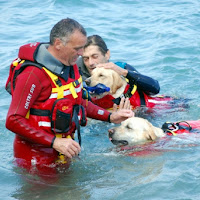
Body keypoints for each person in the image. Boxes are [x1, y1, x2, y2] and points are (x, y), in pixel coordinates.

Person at [5, 18, 134, 174]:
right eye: (77, 49)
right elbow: (13, 120)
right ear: (59, 44)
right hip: (35, 159)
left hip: (65, 150)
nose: (81, 54)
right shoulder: (32, 74)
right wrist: (54, 142)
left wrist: (110, 117)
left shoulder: (70, 66)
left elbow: (79, 102)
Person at [77, 35, 160, 97]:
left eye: (95, 57)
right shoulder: (76, 73)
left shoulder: (121, 68)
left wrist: (124, 72)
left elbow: (155, 89)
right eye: (86, 59)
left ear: (107, 54)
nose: (90, 63)